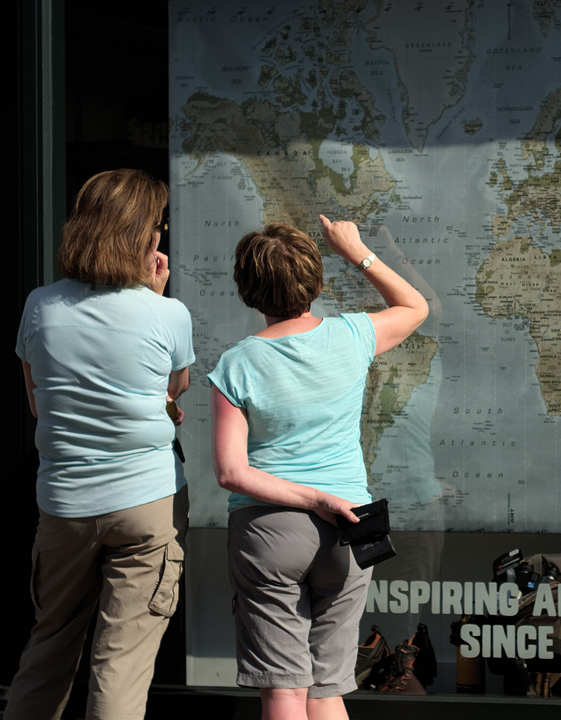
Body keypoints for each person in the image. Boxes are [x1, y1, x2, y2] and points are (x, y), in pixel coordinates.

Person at [209, 216, 428, 720]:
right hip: (350, 525)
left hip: (269, 532)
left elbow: (231, 473)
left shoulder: (236, 364)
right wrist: (357, 251)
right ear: (314, 278)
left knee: (283, 693)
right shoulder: (353, 335)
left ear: (248, 288)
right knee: (327, 691)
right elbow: (415, 306)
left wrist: (312, 499)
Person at [8, 169, 195, 720]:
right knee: (120, 667)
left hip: (64, 502)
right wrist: (154, 298)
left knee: (48, 648)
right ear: (142, 234)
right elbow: (173, 390)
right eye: (158, 225)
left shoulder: (40, 305)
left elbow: (37, 402)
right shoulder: (168, 312)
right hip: (147, 501)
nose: (160, 234)